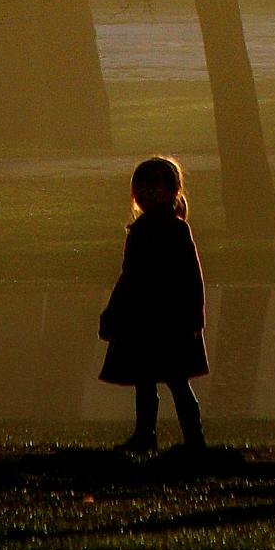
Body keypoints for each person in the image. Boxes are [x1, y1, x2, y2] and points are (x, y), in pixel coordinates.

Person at [98, 153, 208, 454]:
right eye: (141, 188)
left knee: (177, 381)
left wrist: (195, 316)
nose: (145, 194)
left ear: (171, 191)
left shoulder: (176, 229)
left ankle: (194, 440)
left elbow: (191, 276)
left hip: (169, 318)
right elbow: (129, 276)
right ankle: (145, 435)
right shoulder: (139, 231)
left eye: (152, 187)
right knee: (144, 381)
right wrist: (113, 312)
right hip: (141, 317)